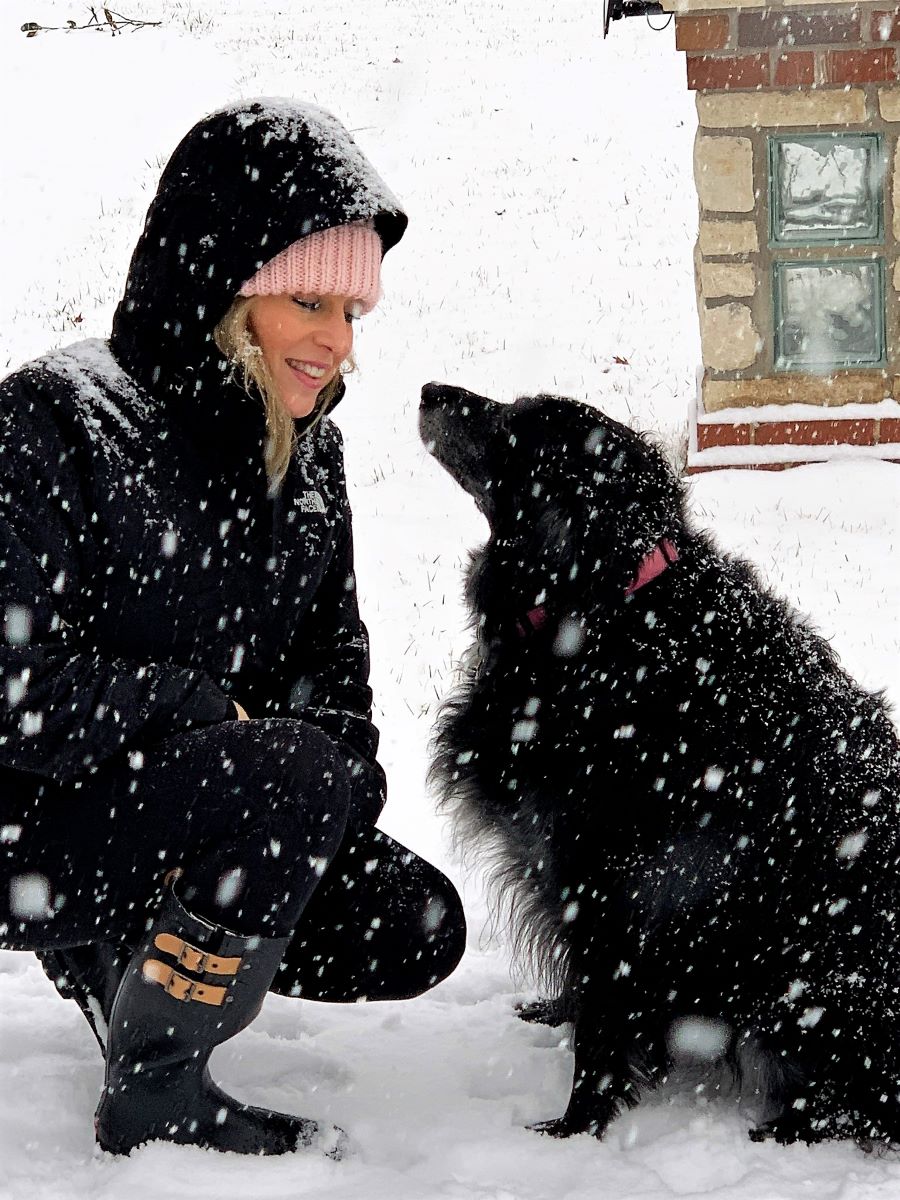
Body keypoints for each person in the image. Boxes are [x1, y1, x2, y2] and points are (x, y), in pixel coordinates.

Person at [0, 99, 465, 1158]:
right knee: (287, 777)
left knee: (415, 925)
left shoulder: (309, 459)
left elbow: (333, 675)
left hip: (204, 809)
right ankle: (158, 1086)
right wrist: (202, 717)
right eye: (308, 301)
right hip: (37, 823)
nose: (336, 344)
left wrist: (331, 781)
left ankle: (135, 952)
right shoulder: (55, 418)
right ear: (217, 288)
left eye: (355, 316)